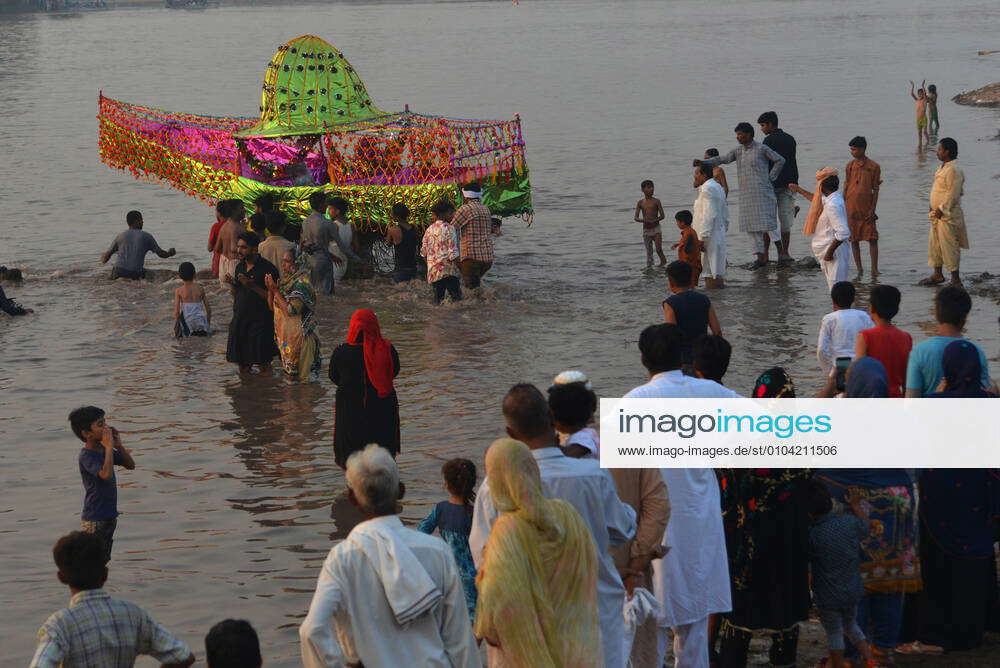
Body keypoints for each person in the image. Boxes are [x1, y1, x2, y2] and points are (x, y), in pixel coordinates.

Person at [469, 384, 637, 668]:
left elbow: (483, 557)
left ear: (510, 434)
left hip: (526, 627)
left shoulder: (494, 487)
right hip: (592, 618)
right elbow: (622, 530)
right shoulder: (591, 475)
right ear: (551, 416)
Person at [299, 445, 479, 668]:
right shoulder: (437, 552)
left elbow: (312, 631)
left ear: (352, 499)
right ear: (401, 491)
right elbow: (460, 642)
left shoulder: (341, 560)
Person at [624, 324, 737, 668]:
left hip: (651, 530)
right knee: (693, 628)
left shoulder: (634, 402)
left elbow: (623, 482)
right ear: (684, 357)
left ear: (643, 359)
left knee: (648, 629)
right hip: (698, 522)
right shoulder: (710, 393)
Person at [895, 344, 1000, 656]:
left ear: (947, 370)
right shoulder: (991, 404)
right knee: (976, 558)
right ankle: (977, 626)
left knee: (939, 563)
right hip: (980, 500)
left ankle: (937, 630)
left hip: (939, 502)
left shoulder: (933, 404)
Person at [816, 358, 920, 665]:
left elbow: (821, 471)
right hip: (897, 510)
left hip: (853, 511)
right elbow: (917, 467)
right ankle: (884, 648)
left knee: (852, 583)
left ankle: (849, 654)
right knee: (889, 582)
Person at [473, 438, 602, 667]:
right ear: (532, 470)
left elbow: (494, 618)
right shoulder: (568, 515)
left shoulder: (507, 531)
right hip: (576, 648)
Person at [717, 372, 811, 668]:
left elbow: (726, 486)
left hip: (751, 538)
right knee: (784, 603)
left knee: (742, 610)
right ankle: (784, 660)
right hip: (790, 536)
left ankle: (733, 661)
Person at [30, 531, 195, 668]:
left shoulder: (59, 626)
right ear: (105, 574)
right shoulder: (133, 615)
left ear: (61, 577)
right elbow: (182, 656)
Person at [695, 123, 786, 269]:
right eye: (736, 134)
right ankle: (760, 258)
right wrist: (704, 162)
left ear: (749, 134)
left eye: (740, 134)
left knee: (769, 224)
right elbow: (723, 159)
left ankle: (781, 255)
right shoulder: (738, 151)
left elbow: (780, 160)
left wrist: (771, 177)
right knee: (751, 228)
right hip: (746, 194)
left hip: (763, 192)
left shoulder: (761, 148)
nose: (738, 137)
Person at [808, 481, 877, 668]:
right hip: (853, 590)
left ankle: (837, 665)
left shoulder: (813, 534)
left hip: (829, 595)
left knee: (834, 632)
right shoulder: (848, 523)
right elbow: (866, 527)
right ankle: (871, 660)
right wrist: (855, 504)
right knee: (852, 626)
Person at [329, 309, 401, 468]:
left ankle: (354, 490)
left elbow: (333, 377)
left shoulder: (341, 353)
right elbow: (394, 372)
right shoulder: (387, 350)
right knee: (382, 467)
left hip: (350, 416)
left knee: (353, 468)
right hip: (381, 414)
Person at [69, 406, 135, 562]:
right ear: (87, 434)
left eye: (105, 422)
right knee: (92, 560)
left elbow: (130, 465)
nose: (106, 428)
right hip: (95, 518)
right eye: (100, 425)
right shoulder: (86, 456)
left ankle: (99, 585)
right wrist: (107, 447)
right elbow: (105, 474)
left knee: (104, 558)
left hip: (109, 516)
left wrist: (117, 446)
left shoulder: (105, 451)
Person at [418, 458, 479, 622]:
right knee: (475, 620)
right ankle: (472, 647)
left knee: (450, 619)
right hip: (473, 576)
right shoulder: (476, 513)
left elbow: (421, 533)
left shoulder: (440, 509)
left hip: (447, 574)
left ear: (446, 484)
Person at [905, 286, 992, 397]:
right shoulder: (976, 352)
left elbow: (911, 401)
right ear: (966, 316)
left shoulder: (920, 351)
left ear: (935, 313)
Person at [225, 231, 280, 375]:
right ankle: (248, 393)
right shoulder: (240, 267)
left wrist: (252, 286)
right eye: (238, 247)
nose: (239, 250)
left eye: (243, 247)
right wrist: (233, 284)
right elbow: (238, 294)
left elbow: (275, 299)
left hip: (260, 323)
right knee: (243, 366)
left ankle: (266, 393)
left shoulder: (268, 269)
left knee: (264, 365)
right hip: (240, 321)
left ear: (254, 249)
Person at [265, 251, 321, 381]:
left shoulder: (302, 285)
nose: (283, 264)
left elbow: (291, 310)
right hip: (289, 341)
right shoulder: (286, 283)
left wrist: (275, 291)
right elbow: (272, 308)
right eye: (282, 260)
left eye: (287, 261)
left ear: (298, 264)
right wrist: (270, 289)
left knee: (303, 385)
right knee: (292, 385)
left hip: (302, 340)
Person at [792, 169, 850, 289]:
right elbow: (816, 200)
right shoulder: (832, 198)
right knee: (834, 288)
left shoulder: (833, 204)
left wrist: (829, 253)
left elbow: (843, 233)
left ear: (821, 186)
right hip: (829, 249)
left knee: (836, 288)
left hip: (834, 251)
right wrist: (799, 190)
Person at [921, 137, 967, 287]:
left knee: (949, 246)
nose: (937, 152)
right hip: (936, 215)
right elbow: (939, 190)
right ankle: (937, 274)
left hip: (948, 215)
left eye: (939, 149)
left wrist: (941, 209)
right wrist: (931, 206)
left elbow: (953, 193)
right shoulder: (943, 167)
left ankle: (955, 279)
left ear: (947, 152)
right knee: (935, 245)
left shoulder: (954, 169)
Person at [662, 260, 722, 371]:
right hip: (703, 358)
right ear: (692, 280)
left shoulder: (670, 303)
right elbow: (717, 331)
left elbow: (672, 334)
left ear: (670, 282)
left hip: (683, 361)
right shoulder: (704, 299)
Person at [856, 285, 911, 397]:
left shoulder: (865, 336)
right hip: (896, 398)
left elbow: (860, 375)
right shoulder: (906, 337)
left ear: (872, 308)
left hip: (872, 398)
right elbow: (907, 379)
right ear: (896, 310)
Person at [758, 111, 798, 263]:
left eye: (762, 125)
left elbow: (764, 164)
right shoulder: (790, 139)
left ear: (769, 124)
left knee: (769, 221)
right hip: (790, 184)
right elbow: (792, 162)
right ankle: (785, 253)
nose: (761, 129)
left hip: (772, 185)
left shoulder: (768, 141)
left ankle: (766, 255)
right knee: (785, 221)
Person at [843, 136, 882, 276]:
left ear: (862, 149)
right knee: (854, 239)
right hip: (851, 207)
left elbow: (876, 189)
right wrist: (843, 204)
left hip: (867, 208)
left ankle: (874, 269)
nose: (852, 152)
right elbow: (846, 185)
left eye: (854, 149)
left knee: (872, 238)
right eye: (851, 149)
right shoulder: (850, 166)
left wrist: (873, 209)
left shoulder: (873, 166)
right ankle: (859, 269)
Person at [817, 281, 874, 376]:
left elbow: (821, 350)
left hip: (838, 368)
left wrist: (829, 371)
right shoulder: (863, 316)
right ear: (853, 299)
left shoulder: (829, 319)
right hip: (860, 368)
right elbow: (873, 342)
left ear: (833, 301)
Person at [100, 210, 176, 280]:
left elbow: (105, 258)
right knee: (154, 276)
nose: (143, 222)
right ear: (136, 221)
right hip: (134, 273)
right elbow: (161, 254)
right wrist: (169, 253)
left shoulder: (120, 236)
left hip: (118, 271)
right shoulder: (146, 236)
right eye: (141, 220)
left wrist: (103, 258)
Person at [300, 192, 345, 296]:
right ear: (321, 205)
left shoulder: (305, 222)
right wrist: (356, 258)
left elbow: (303, 244)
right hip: (323, 261)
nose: (327, 206)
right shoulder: (328, 223)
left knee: (309, 293)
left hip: (308, 261)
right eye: (326, 203)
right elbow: (339, 246)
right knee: (326, 294)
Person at [692, 163, 729, 289]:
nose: (694, 176)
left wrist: (702, 239)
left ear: (704, 175)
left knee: (710, 271)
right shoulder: (717, 187)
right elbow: (725, 215)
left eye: (697, 173)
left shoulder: (708, 188)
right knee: (716, 270)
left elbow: (709, 215)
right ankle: (717, 300)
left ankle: (714, 302)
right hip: (717, 233)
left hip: (710, 236)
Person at [451, 183, 495, 289]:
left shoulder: (465, 209)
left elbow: (451, 228)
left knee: (470, 288)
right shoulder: (486, 209)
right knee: (476, 285)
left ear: (465, 196)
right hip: (487, 258)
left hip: (471, 257)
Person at [547, 374, 600, 459]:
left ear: (557, 420)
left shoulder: (583, 436)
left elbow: (570, 455)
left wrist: (555, 447)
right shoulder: (588, 433)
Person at [421, 200, 463, 304]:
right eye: (451, 213)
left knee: (437, 301)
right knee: (457, 301)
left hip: (434, 272)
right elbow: (453, 253)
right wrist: (463, 270)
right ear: (442, 214)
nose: (453, 215)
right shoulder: (450, 228)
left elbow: (423, 253)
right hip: (449, 271)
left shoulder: (429, 229)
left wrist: (431, 265)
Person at [326, 196, 363, 282]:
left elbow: (323, 245)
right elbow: (356, 247)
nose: (328, 211)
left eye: (330, 209)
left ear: (337, 211)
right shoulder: (351, 226)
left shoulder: (333, 226)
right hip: (344, 263)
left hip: (333, 262)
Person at [214, 199, 247, 290]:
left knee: (227, 296)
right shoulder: (237, 227)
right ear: (233, 211)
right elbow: (233, 248)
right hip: (235, 265)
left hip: (223, 263)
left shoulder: (224, 226)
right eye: (241, 208)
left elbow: (217, 248)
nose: (245, 210)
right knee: (238, 295)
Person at [634, 179, 667, 267]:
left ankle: (663, 264)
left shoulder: (656, 201)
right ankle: (650, 267)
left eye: (652, 187)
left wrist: (654, 220)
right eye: (648, 187)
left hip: (656, 228)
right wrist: (644, 220)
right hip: (646, 229)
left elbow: (662, 216)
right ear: (643, 190)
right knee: (649, 252)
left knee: (658, 249)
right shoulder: (640, 202)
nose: (651, 189)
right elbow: (636, 218)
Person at [173, 262, 211, 337]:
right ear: (194, 274)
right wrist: (208, 324)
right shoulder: (200, 289)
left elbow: (177, 312)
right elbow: (208, 309)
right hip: (201, 320)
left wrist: (177, 326)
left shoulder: (179, 291)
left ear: (180, 276)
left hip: (188, 322)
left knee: (188, 343)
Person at [386, 202, 419, 283]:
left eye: (392, 213)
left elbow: (388, 244)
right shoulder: (415, 228)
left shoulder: (393, 229)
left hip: (400, 269)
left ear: (396, 216)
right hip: (413, 267)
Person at [258, 212, 296, 278]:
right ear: (283, 227)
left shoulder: (261, 246)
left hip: (268, 284)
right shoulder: (291, 246)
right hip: (286, 285)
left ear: (267, 227)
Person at [670, 210, 702, 286]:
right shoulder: (690, 231)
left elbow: (688, 249)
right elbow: (692, 243)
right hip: (692, 265)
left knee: (690, 286)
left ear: (682, 222)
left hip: (691, 266)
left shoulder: (688, 234)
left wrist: (682, 265)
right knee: (690, 286)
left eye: (677, 222)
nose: (677, 224)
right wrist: (678, 244)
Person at [207, 200, 227, 278]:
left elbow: (209, 248)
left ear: (218, 213)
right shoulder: (236, 225)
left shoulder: (216, 226)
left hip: (219, 262)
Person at [910, 80, 929, 145]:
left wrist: (923, 86)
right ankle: (920, 144)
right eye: (919, 94)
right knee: (919, 132)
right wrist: (913, 86)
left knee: (925, 132)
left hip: (924, 118)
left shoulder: (925, 100)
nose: (920, 95)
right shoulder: (917, 100)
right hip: (918, 119)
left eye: (921, 94)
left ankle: (928, 142)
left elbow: (925, 94)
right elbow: (912, 94)